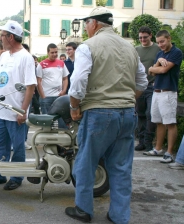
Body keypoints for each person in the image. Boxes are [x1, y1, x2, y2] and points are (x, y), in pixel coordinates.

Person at [65, 7, 148, 224]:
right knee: (121, 167)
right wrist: (127, 100)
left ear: (94, 23)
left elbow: (78, 82)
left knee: (86, 163)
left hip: (98, 112)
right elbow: (142, 82)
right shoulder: (130, 48)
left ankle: (83, 210)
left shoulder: (88, 46)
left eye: (86, 23)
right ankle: (119, 216)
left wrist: (74, 107)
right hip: (128, 113)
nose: (85, 28)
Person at [0, 20, 36, 190]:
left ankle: (16, 177)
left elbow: (30, 87)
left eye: (2, 36)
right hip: (1, 109)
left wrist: (23, 111)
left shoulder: (25, 57)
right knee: (0, 145)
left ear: (11, 37)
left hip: (15, 110)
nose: (0, 39)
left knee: (17, 146)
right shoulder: (4, 55)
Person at [145, 30, 183, 163]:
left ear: (169, 39)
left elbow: (163, 70)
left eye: (162, 41)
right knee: (159, 122)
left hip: (168, 92)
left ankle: (169, 152)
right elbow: (152, 71)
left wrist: (156, 67)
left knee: (170, 123)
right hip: (156, 91)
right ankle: (158, 148)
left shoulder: (176, 52)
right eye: (159, 42)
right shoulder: (160, 54)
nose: (160, 44)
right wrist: (158, 62)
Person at [135, 26, 160, 152]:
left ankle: (148, 141)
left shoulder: (157, 48)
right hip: (139, 86)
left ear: (150, 35)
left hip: (152, 86)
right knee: (140, 114)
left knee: (151, 114)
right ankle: (141, 141)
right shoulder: (136, 49)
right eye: (140, 38)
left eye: (145, 37)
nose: (143, 40)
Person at [36, 43, 69, 114]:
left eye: (56, 52)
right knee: (47, 121)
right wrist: (42, 96)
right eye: (52, 52)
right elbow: (38, 81)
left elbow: (65, 78)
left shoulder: (62, 63)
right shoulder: (41, 65)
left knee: (62, 121)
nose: (54, 54)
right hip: (46, 97)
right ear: (48, 52)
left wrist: (64, 91)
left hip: (59, 96)